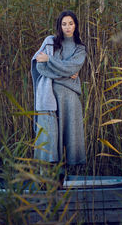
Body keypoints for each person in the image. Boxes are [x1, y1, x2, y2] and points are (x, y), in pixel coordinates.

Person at [31, 10, 86, 183]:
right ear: (59, 26)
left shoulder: (80, 49)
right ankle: (45, 179)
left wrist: (51, 61)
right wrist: (65, 72)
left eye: (71, 23)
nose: (67, 27)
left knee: (69, 139)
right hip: (48, 99)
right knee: (50, 138)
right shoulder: (50, 42)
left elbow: (72, 67)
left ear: (75, 25)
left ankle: (65, 181)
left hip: (70, 100)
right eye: (64, 24)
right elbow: (40, 67)